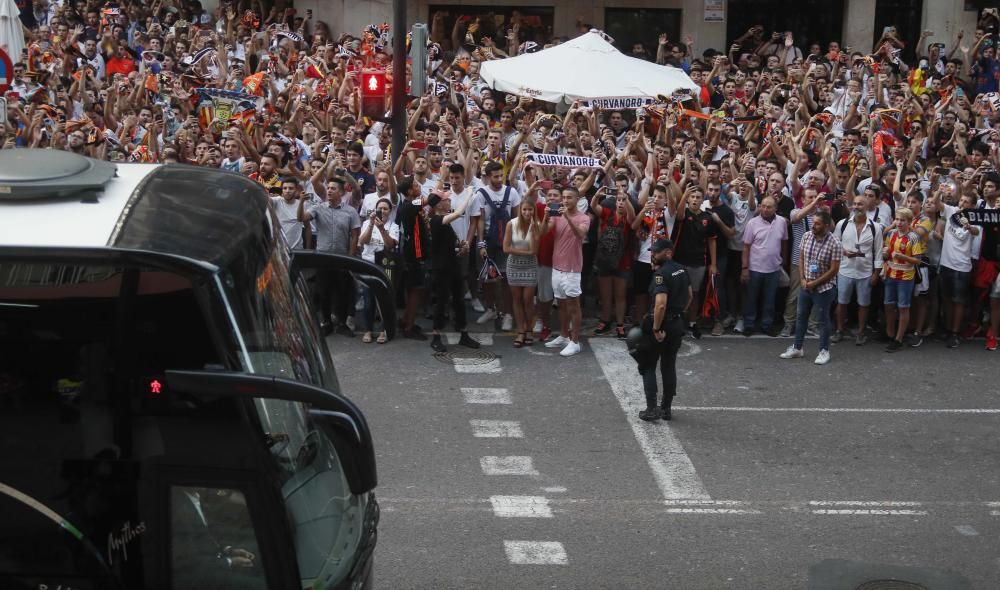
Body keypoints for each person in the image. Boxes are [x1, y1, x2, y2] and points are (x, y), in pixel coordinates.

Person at [297, 176, 361, 336]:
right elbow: (301, 218)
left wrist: (350, 258)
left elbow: (354, 235)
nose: (329, 191)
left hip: (341, 258)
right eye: (328, 188)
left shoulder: (350, 211)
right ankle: (326, 322)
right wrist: (301, 202)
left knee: (343, 291)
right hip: (323, 257)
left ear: (341, 192)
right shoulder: (318, 208)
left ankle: (342, 323)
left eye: (333, 188)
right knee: (324, 291)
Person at [636, 239, 691, 421]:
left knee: (648, 365)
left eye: (657, 252)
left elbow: (660, 304)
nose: (653, 254)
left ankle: (652, 409)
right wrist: (678, 313)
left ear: (668, 253)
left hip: (662, 324)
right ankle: (666, 408)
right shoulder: (682, 269)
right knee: (669, 365)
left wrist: (657, 328)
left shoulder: (661, 274)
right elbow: (689, 296)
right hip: (676, 324)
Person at [779, 211, 841, 364]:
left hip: (824, 288)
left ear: (826, 226)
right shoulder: (807, 236)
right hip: (806, 285)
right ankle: (797, 347)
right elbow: (801, 258)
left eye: (817, 223)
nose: (813, 226)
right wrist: (802, 279)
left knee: (823, 320)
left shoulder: (835, 243)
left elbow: (834, 270)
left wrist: (815, 283)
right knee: (801, 317)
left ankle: (824, 350)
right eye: (813, 222)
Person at [428, 191, 481, 352]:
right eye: (446, 199)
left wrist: (461, 247)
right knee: (442, 301)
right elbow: (459, 213)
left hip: (453, 265)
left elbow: (449, 246)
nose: (449, 200)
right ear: (439, 205)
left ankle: (463, 334)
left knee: (459, 300)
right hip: (441, 268)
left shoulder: (445, 222)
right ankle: (436, 336)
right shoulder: (437, 220)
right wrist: (469, 195)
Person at [541, 187, 591, 357]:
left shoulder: (584, 217)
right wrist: (547, 215)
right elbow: (542, 233)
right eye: (563, 197)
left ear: (577, 199)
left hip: (572, 269)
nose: (565, 200)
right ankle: (563, 336)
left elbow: (580, 234)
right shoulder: (556, 216)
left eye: (569, 197)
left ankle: (575, 341)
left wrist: (568, 218)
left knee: (573, 306)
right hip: (557, 267)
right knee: (561, 304)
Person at [833, 195, 884, 345]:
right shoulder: (842, 224)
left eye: (860, 204)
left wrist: (876, 273)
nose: (856, 207)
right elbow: (835, 244)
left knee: (864, 304)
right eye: (854, 204)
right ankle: (839, 330)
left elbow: (879, 252)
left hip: (865, 272)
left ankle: (861, 332)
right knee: (842, 303)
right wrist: (844, 252)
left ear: (867, 206)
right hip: (845, 270)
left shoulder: (875, 228)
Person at [591, 188, 635, 339]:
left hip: (622, 261)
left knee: (620, 295)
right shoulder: (607, 213)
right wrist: (597, 195)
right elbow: (594, 207)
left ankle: (620, 324)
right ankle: (605, 320)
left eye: (623, 200)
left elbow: (632, 216)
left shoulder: (628, 218)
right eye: (619, 200)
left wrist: (626, 197)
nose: (621, 203)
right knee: (605, 295)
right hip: (604, 260)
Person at [741, 196, 788, 337]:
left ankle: (767, 325)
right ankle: (749, 324)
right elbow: (746, 247)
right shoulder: (752, 223)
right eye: (763, 206)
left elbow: (784, 241)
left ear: (775, 209)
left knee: (770, 299)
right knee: (751, 298)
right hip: (755, 268)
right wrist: (745, 268)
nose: (765, 209)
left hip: (773, 269)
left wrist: (783, 259)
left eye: (769, 207)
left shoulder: (782, 222)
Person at [358, 198, 399, 344]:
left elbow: (390, 246)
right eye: (379, 209)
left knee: (384, 300)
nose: (382, 211)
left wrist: (382, 229)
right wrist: (371, 224)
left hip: (384, 267)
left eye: (385, 209)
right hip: (368, 265)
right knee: (368, 300)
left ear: (390, 211)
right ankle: (368, 330)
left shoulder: (393, 226)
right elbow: (363, 241)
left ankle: (384, 330)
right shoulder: (366, 223)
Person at [881, 208, 921, 352]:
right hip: (890, 274)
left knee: (903, 307)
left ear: (909, 222)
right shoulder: (891, 234)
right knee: (888, 304)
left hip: (905, 277)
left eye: (902, 220)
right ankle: (890, 333)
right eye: (897, 219)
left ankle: (898, 338)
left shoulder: (913, 237)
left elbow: (917, 260)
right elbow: (886, 252)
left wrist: (904, 257)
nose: (899, 223)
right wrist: (885, 254)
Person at [503, 200, 540, 347]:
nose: (527, 213)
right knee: (517, 299)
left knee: (528, 299)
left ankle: (529, 329)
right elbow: (506, 248)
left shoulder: (535, 226)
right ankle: (520, 330)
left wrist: (532, 229)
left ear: (533, 211)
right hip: (513, 265)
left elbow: (534, 250)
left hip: (530, 266)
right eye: (524, 209)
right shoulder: (511, 224)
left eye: (530, 210)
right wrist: (525, 252)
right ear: (520, 210)